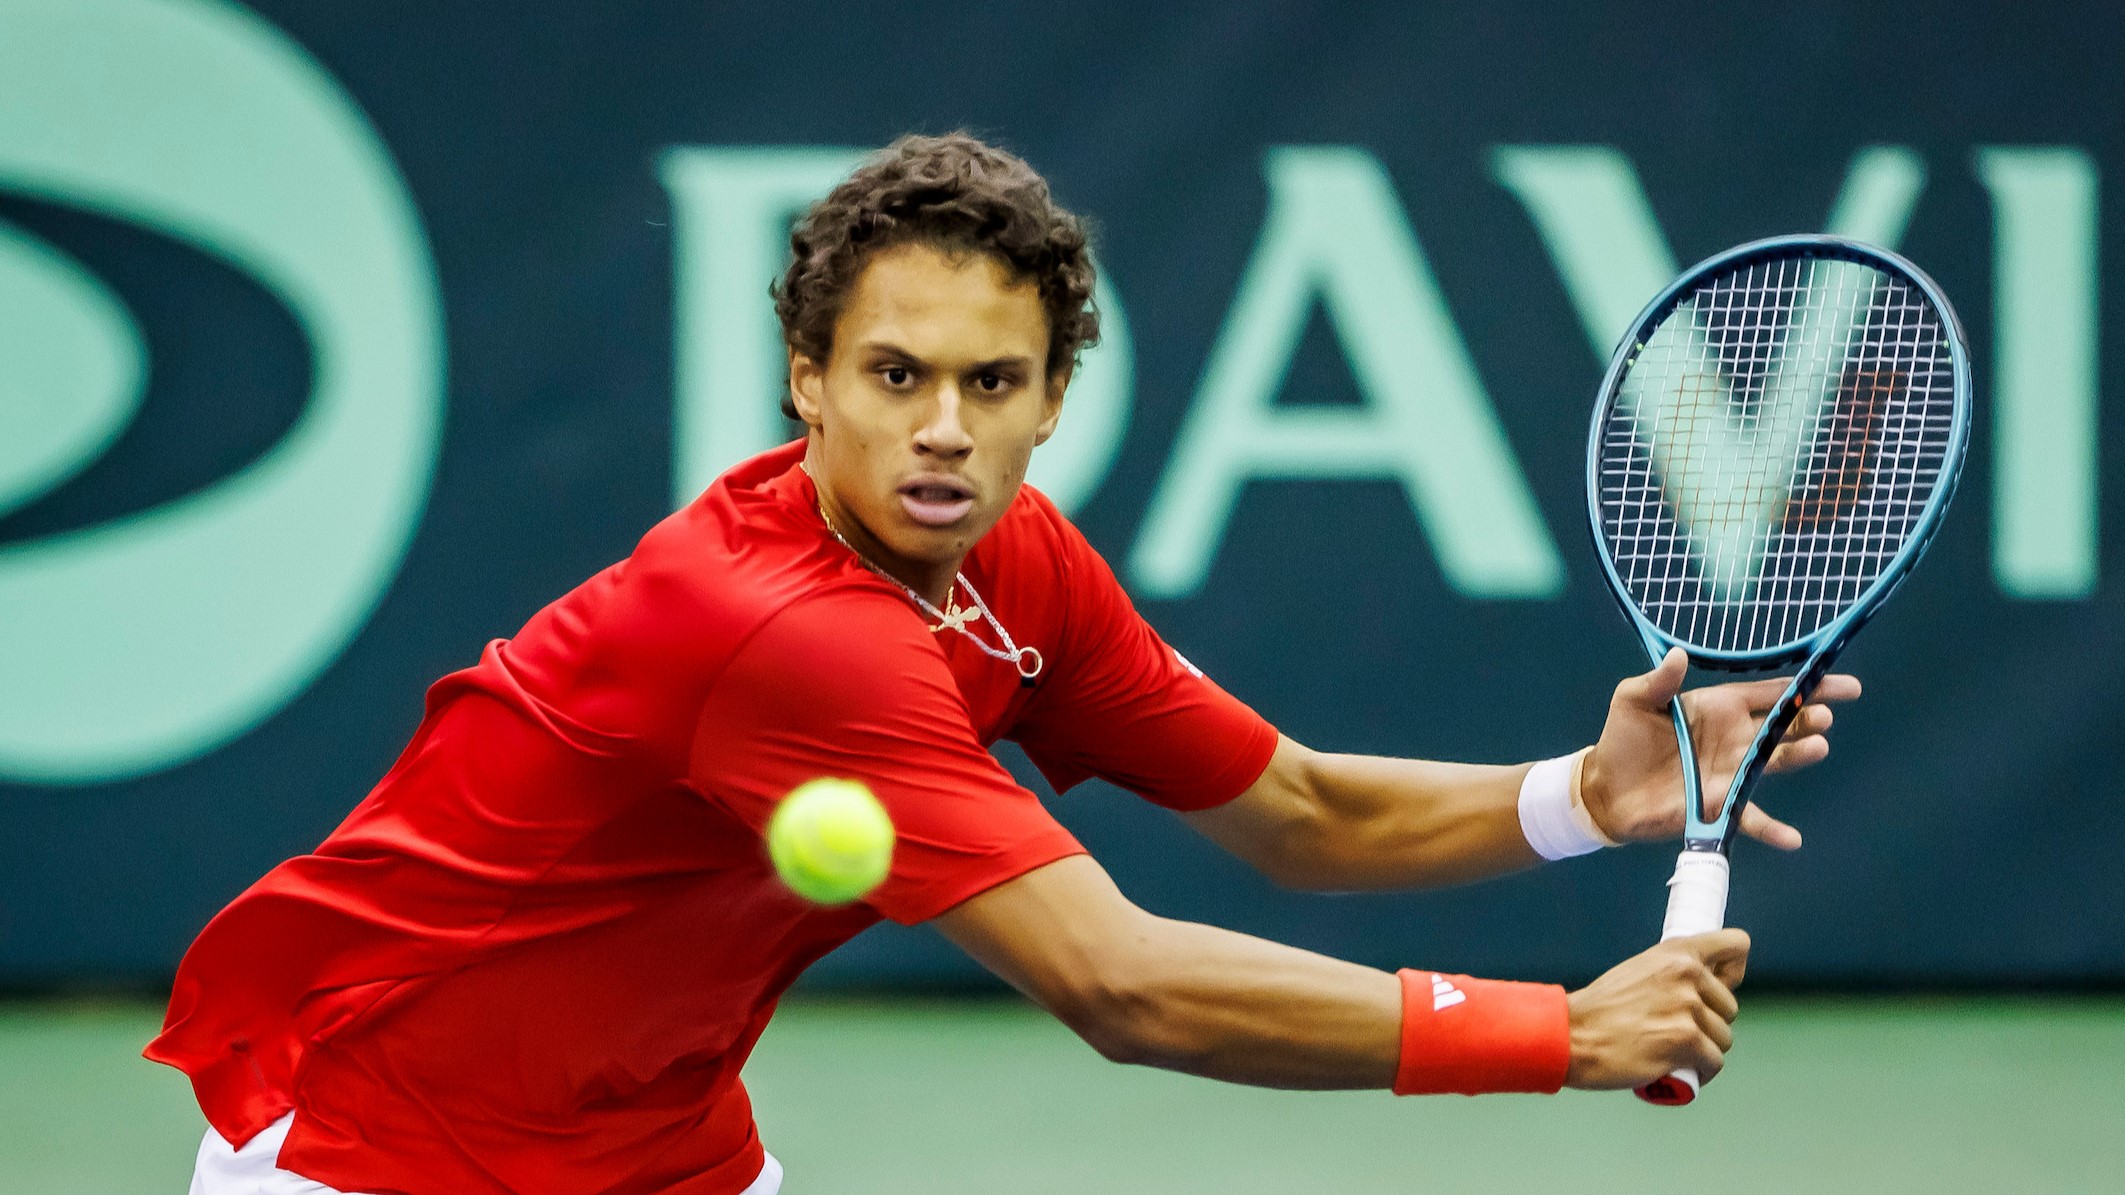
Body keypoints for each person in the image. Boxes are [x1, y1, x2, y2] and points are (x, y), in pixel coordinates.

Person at [150, 132, 1859, 1195]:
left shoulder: (1004, 562)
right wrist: (1549, 1031)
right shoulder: (781, 630)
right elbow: (1125, 989)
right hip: (385, 1157)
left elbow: (1299, 812)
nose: (943, 430)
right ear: (804, 381)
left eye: (991, 383)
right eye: (894, 376)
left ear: (1054, 398)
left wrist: (1580, 797)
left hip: (650, 1147)